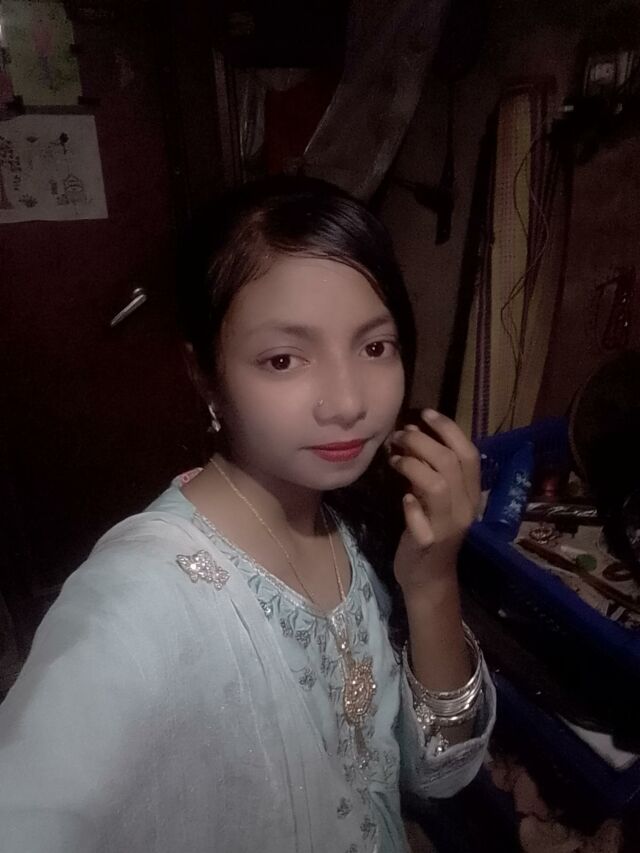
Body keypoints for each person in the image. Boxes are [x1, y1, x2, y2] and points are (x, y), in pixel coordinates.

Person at [0, 176, 495, 852]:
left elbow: (439, 774)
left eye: (375, 346)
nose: (349, 402)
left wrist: (433, 582)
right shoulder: (139, 597)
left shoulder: (345, 517)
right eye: (283, 359)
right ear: (204, 374)